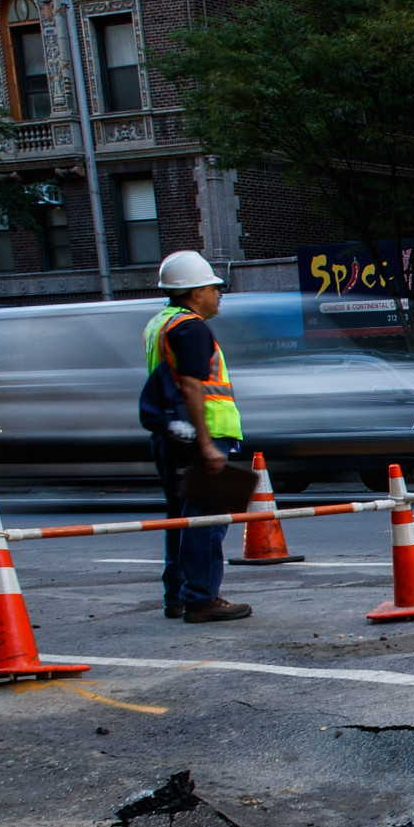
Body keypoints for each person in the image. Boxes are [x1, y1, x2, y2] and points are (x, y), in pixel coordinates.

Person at [138, 251, 249, 623]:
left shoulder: (160, 323)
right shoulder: (192, 327)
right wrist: (205, 444)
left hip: (171, 434)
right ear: (194, 291)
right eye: (214, 288)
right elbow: (190, 385)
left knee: (180, 518)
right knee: (206, 519)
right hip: (201, 435)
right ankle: (202, 598)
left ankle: (178, 596)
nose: (219, 295)